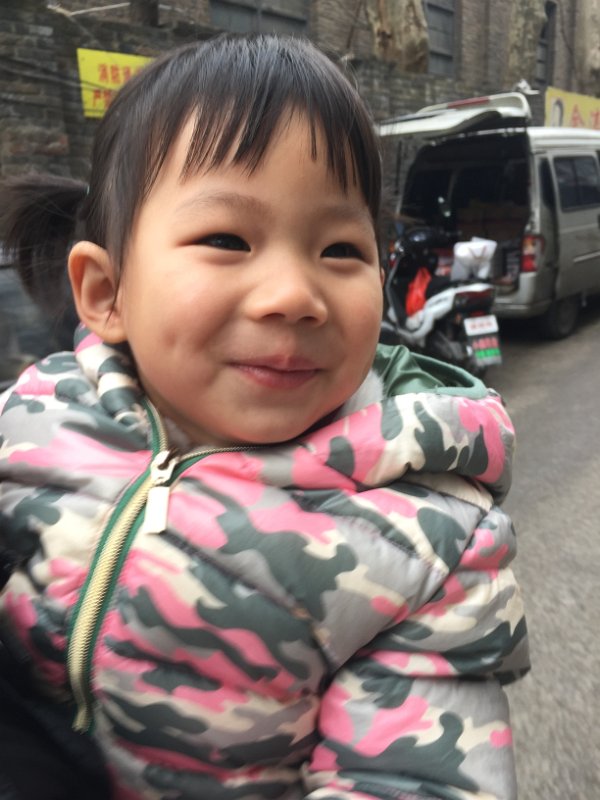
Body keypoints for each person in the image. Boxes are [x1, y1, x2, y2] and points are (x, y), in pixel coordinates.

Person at [0, 33, 529, 800]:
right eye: (227, 239)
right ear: (107, 293)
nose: (294, 295)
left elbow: (413, 778)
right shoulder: (37, 414)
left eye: (339, 249)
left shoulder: (430, 541)